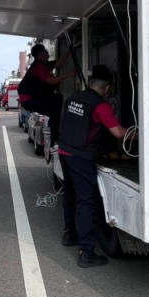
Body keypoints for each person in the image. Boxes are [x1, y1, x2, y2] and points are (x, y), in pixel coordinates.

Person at [58, 65, 127, 268]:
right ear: (106, 88)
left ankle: (70, 234)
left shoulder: (74, 97)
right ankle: (87, 252)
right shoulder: (100, 105)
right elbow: (118, 133)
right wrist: (142, 134)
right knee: (86, 201)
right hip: (81, 156)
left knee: (70, 194)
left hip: (64, 151)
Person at [18, 43, 75, 140]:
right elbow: (51, 81)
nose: (48, 53)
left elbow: (59, 63)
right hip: (29, 99)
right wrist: (70, 74)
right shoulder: (38, 67)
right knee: (55, 107)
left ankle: (53, 132)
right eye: (45, 51)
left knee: (57, 100)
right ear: (40, 55)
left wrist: (69, 51)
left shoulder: (45, 64)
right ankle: (54, 138)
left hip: (35, 97)